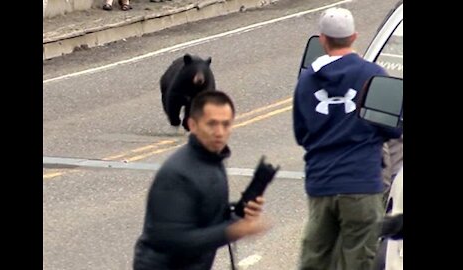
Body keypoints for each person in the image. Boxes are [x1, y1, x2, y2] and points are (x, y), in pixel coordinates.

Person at [292, 7, 402, 270]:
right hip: (362, 184)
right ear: (354, 37)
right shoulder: (373, 74)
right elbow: (392, 127)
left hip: (322, 184)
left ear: (322, 40)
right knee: (358, 258)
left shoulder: (307, 80)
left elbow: (301, 132)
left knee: (315, 258)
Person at [132, 90, 269, 270]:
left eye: (226, 124)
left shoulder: (213, 160)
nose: (219, 132)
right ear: (193, 125)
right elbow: (171, 239)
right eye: (211, 124)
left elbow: (205, 214)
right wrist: (233, 230)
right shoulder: (177, 174)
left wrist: (240, 212)